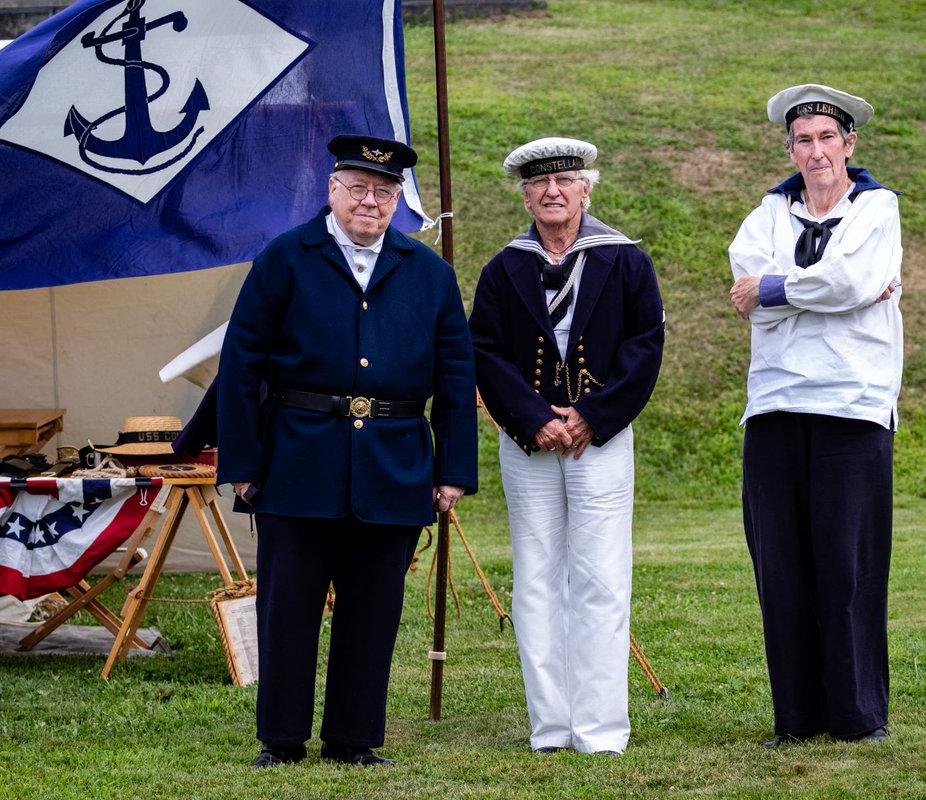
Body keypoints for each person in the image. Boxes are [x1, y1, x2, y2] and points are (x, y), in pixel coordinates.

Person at [216, 133, 478, 768]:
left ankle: (353, 738)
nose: (370, 202)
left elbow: (454, 378)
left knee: (372, 611)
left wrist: (453, 470)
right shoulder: (285, 258)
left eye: (384, 193)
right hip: (297, 462)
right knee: (288, 609)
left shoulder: (430, 274)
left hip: (394, 465)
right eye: (358, 189)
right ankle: (281, 739)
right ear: (331, 190)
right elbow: (241, 364)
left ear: (398, 202)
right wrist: (244, 465)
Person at [469, 137, 665, 756]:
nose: (552, 192)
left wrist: (590, 415)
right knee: (534, 580)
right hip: (528, 445)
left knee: (602, 577)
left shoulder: (627, 260)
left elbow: (645, 346)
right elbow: (486, 354)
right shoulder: (503, 268)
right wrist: (534, 419)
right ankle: (550, 727)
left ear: (586, 188)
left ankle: (601, 730)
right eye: (539, 183)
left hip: (599, 442)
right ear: (525, 194)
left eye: (565, 181)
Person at [728, 84, 903, 747]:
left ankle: (858, 717)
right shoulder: (767, 214)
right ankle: (797, 720)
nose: (817, 151)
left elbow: (853, 281)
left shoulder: (877, 208)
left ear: (850, 144)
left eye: (828, 138)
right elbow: (750, 275)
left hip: (853, 406)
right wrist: (822, 291)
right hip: (774, 404)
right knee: (783, 565)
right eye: (804, 139)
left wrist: (776, 289)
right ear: (790, 148)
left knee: (847, 564)